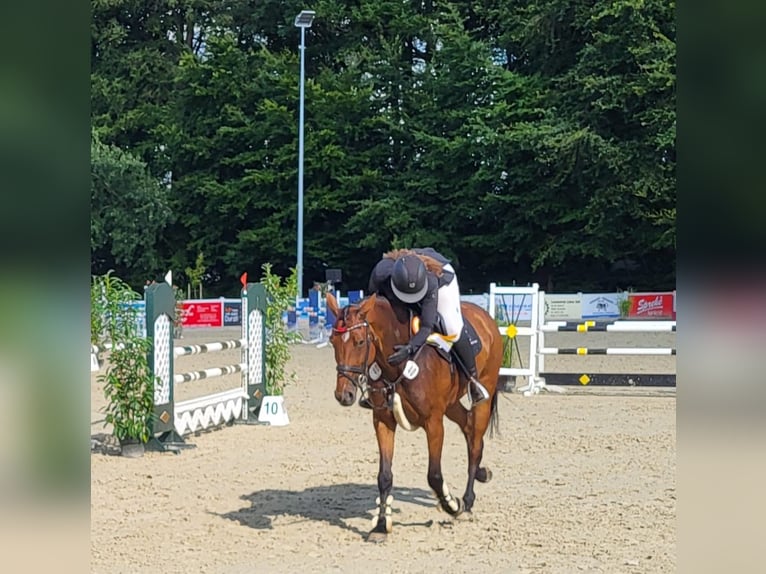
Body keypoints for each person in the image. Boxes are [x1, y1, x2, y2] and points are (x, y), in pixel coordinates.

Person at [364, 247, 490, 408]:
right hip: (406, 276)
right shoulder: (380, 273)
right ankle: (374, 388)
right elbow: (374, 311)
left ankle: (473, 380)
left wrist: (409, 348)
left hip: (440, 278)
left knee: (453, 327)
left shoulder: (432, 282)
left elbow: (426, 326)